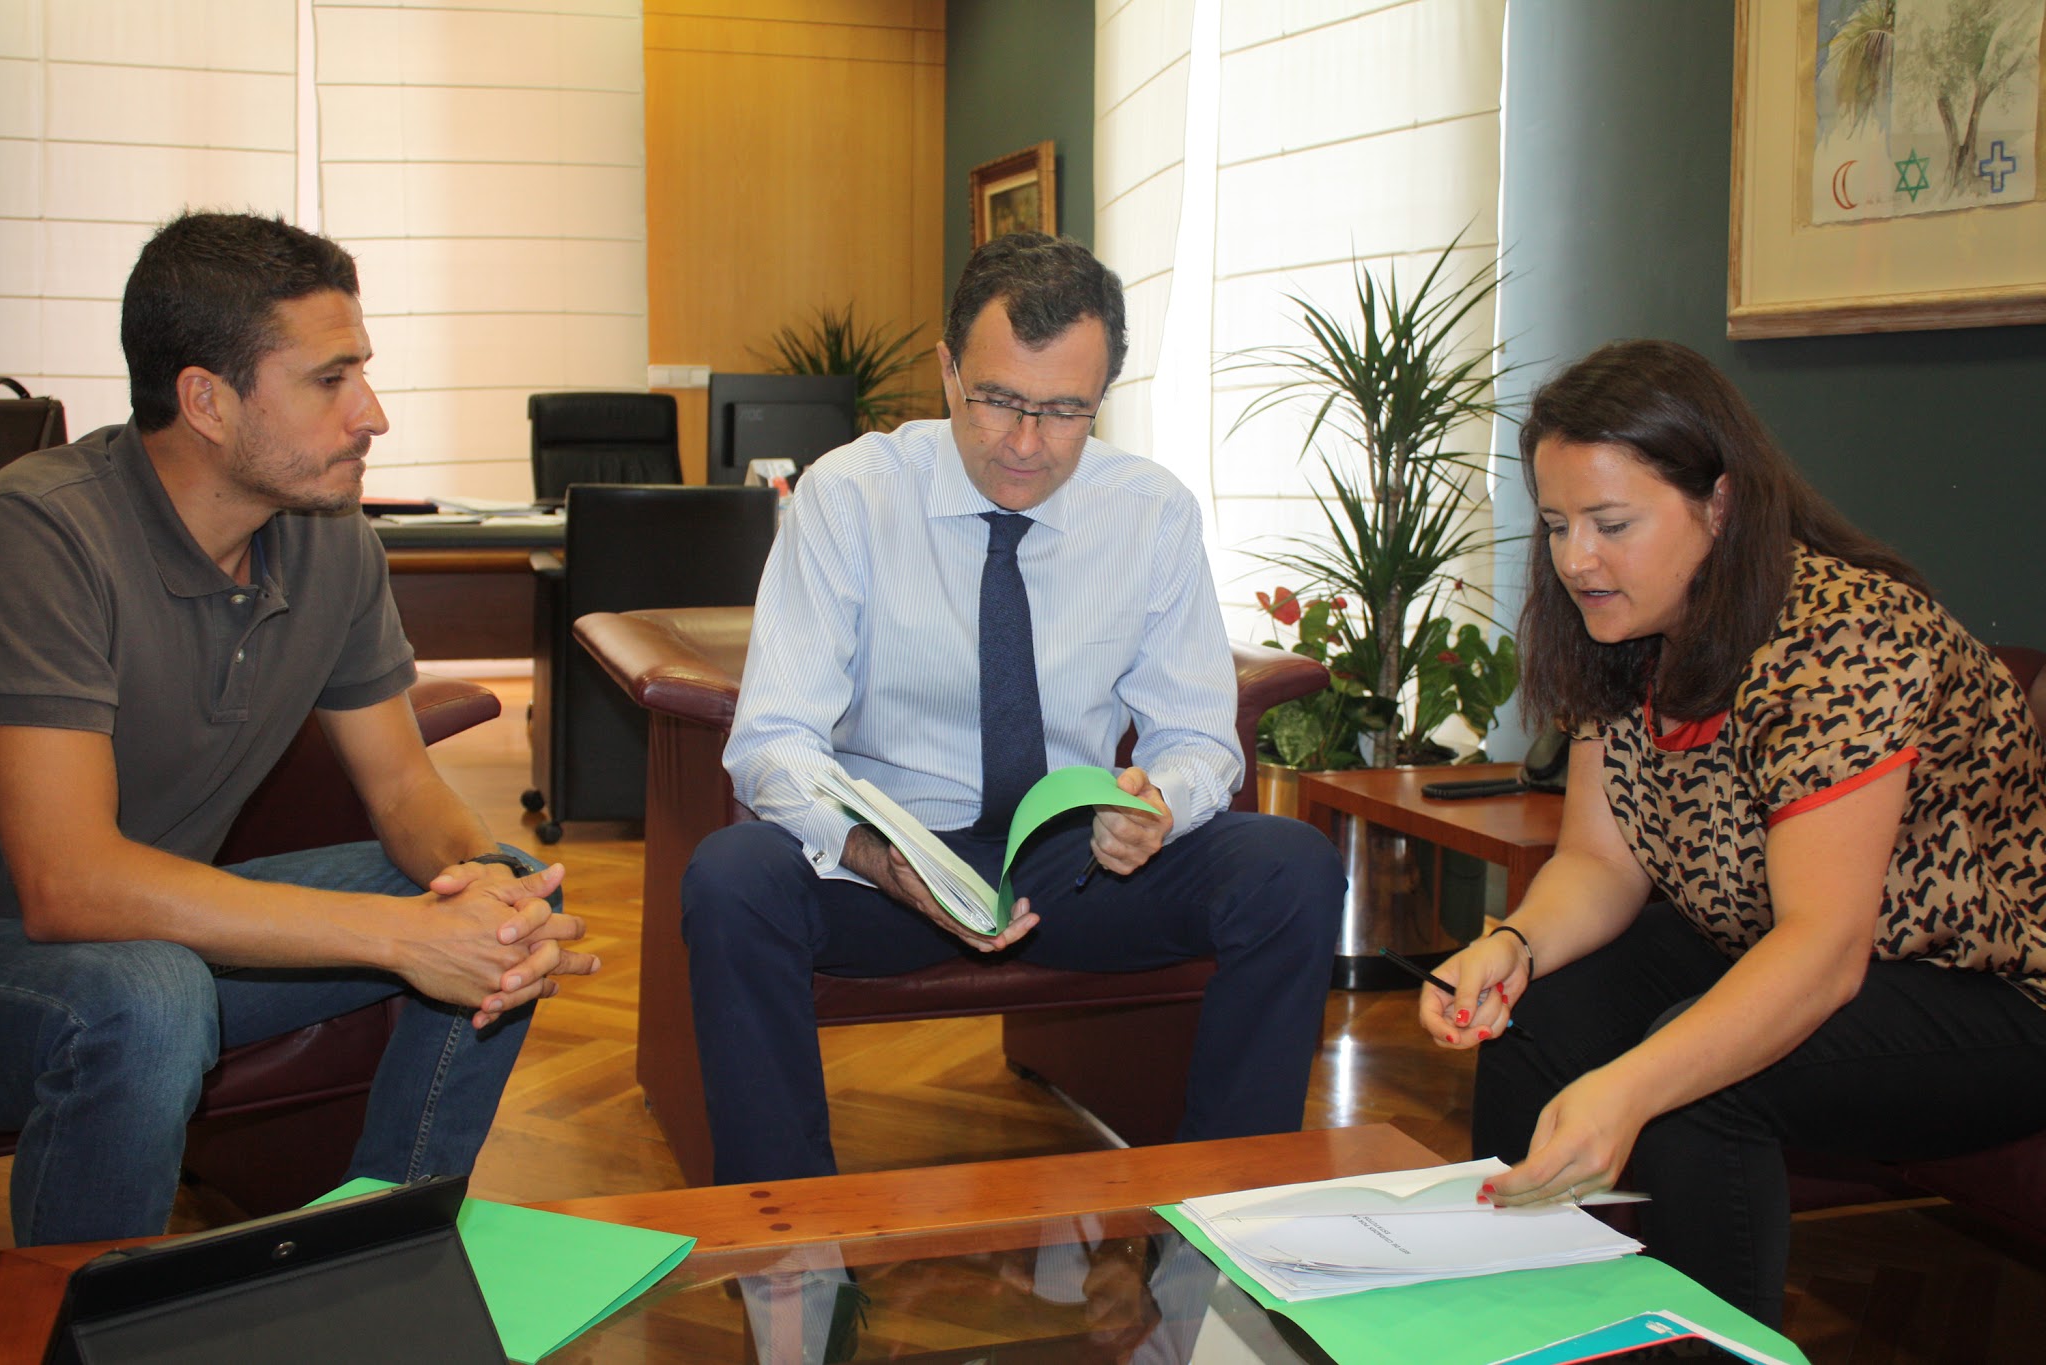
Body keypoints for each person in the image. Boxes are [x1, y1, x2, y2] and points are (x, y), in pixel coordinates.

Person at [682, 232, 1345, 1184]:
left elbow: (1197, 734)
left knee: (1291, 868)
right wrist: (877, 854)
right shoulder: (851, 497)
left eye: (1065, 411)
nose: (1026, 443)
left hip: (1078, 869)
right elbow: (775, 738)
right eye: (997, 400)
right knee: (731, 878)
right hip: (894, 870)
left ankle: (1220, 1218)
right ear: (948, 370)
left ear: (1103, 396)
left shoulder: (1150, 512)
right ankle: (795, 1249)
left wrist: (1155, 802)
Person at [0, 211, 599, 1247]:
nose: (372, 415)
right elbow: (66, 885)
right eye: (330, 380)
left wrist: (483, 893)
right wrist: (400, 937)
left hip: (162, 943)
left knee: (498, 895)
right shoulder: (43, 532)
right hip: (32, 954)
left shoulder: (329, 538)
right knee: (149, 995)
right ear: (207, 401)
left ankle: (373, 1256)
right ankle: (83, 1333)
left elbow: (404, 791)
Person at [1419, 339, 2046, 1324]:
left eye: (1610, 523)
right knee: (1537, 1015)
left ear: (1717, 506)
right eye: (1554, 525)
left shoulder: (1846, 637)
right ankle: (1524, 1323)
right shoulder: (1620, 626)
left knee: (1691, 1078)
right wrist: (1511, 945)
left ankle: (1697, 1349)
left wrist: (1627, 1087)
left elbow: (1824, 949)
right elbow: (1596, 860)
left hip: (1988, 990)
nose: (1575, 558)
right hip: (1766, 935)